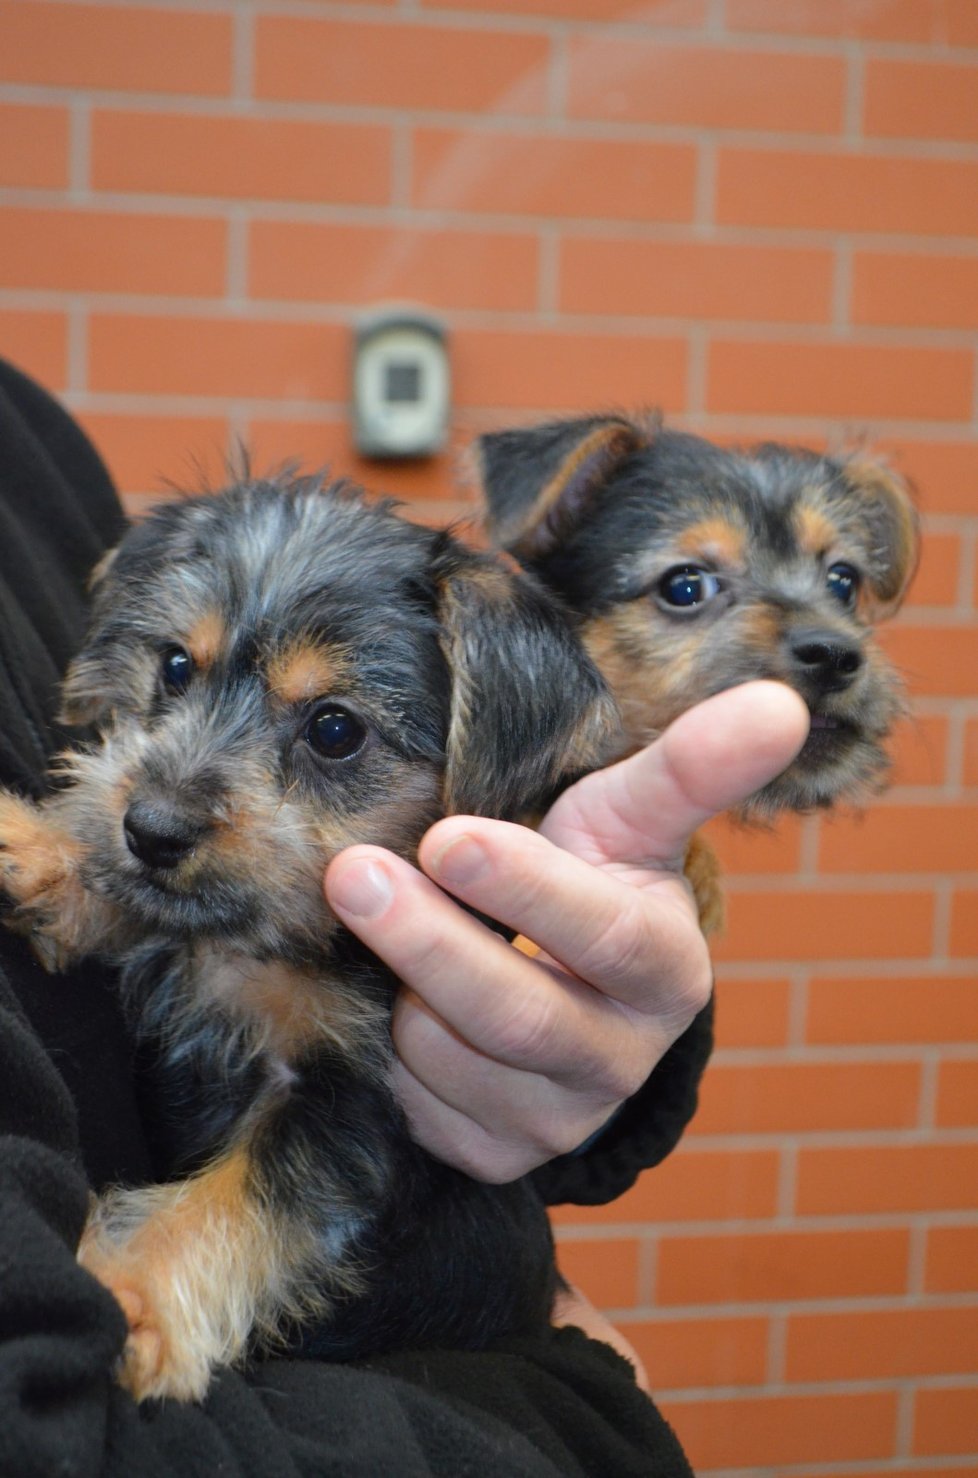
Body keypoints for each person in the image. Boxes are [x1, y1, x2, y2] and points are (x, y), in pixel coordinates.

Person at [0, 356, 809, 1477]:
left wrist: (148, 1288)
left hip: (431, 1348)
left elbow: (325, 1162)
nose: (170, 791)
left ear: (481, 758)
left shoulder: (29, 440)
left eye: (333, 734)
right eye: (178, 677)